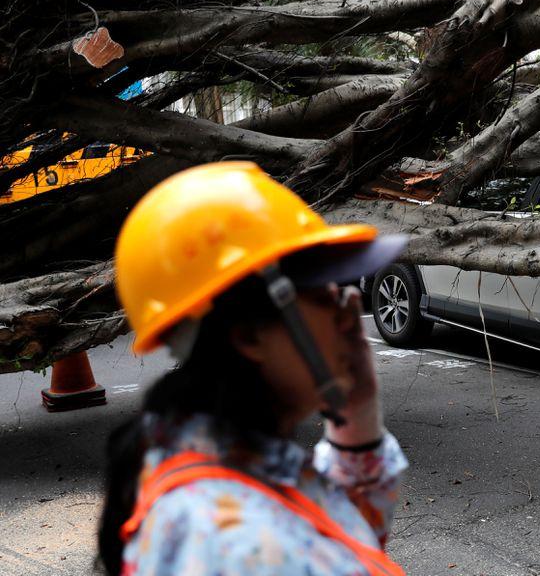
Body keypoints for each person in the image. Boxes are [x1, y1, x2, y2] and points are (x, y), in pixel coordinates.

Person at [98, 162, 408, 576]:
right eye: (323, 294)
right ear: (248, 336)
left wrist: (357, 412)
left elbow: (340, 538)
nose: (347, 309)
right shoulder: (237, 548)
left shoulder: (220, 476)